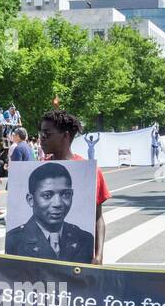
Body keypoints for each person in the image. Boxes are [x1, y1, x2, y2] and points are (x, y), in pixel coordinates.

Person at [36, 110, 110, 263]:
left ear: (65, 135)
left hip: (79, 262)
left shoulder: (89, 171)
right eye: (41, 134)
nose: (41, 139)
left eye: (47, 134)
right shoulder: (37, 170)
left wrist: (99, 255)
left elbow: (98, 218)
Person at [5, 160, 93, 261]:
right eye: (47, 195)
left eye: (66, 194)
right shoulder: (14, 242)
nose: (58, 203)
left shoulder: (85, 239)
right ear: (31, 200)